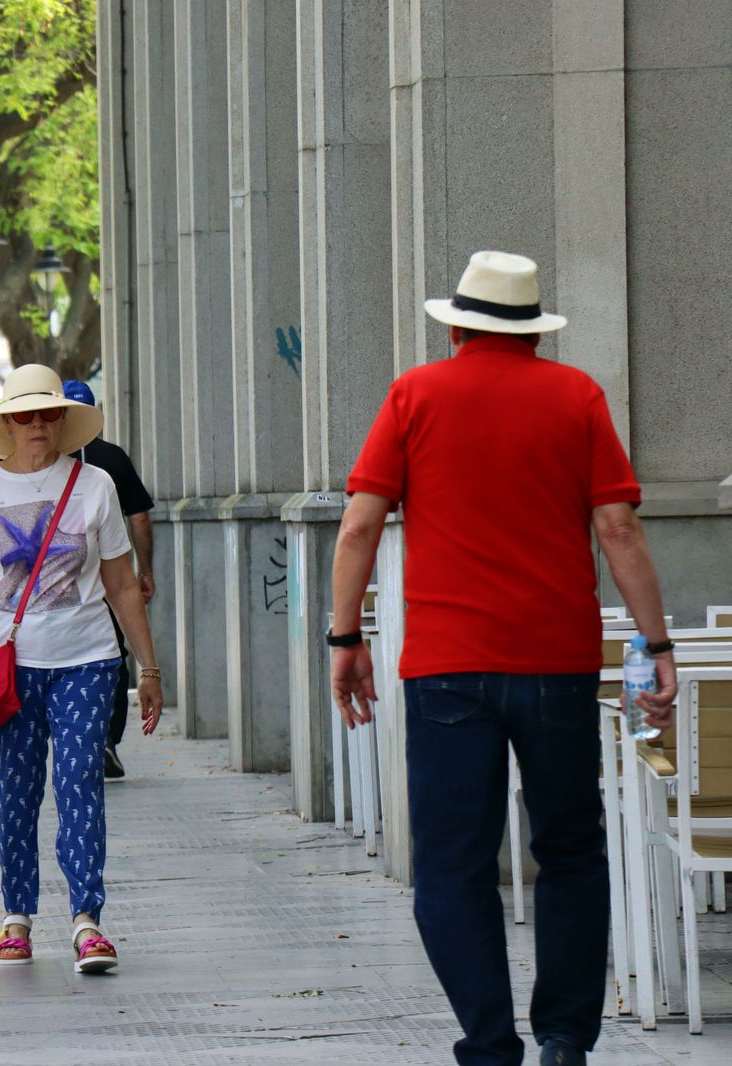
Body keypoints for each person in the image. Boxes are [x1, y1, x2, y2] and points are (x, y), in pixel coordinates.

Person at [329, 251, 676, 1066]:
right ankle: (564, 1039)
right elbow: (619, 530)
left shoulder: (416, 394)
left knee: (452, 864)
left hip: (446, 667)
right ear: (534, 329)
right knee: (569, 850)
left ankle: (489, 1044)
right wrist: (655, 643)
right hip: (555, 661)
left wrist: (346, 639)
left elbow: (357, 525)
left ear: (455, 324)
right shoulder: (576, 395)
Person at [0, 363, 163, 975]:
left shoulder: (95, 487)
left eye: (49, 413)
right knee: (17, 789)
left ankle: (88, 921)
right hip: (12, 665)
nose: (38, 424)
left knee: (81, 780)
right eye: (25, 414)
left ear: (64, 420)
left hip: (87, 657)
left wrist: (150, 669)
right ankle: (17, 916)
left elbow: (119, 583)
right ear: (7, 422)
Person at [61, 380, 156, 779]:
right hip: (107, 576)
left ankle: (78, 737)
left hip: (60, 583)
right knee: (109, 656)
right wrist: (144, 570)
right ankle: (104, 739)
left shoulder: (46, 459)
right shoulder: (112, 458)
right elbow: (139, 517)